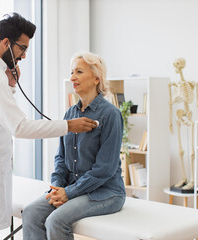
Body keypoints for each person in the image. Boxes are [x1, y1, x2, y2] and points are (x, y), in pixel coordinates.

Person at [0, 13, 97, 240]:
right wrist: (68, 126)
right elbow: (19, 127)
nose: (24, 55)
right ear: (5, 43)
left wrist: (11, 85)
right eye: (22, 48)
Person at [22, 52, 126, 240]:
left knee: (56, 221)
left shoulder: (111, 115)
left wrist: (69, 193)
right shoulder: (70, 113)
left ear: (96, 78)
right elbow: (61, 158)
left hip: (106, 192)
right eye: (72, 72)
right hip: (72, 188)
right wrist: (56, 187)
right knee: (30, 212)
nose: (72, 78)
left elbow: (105, 168)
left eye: (78, 72)